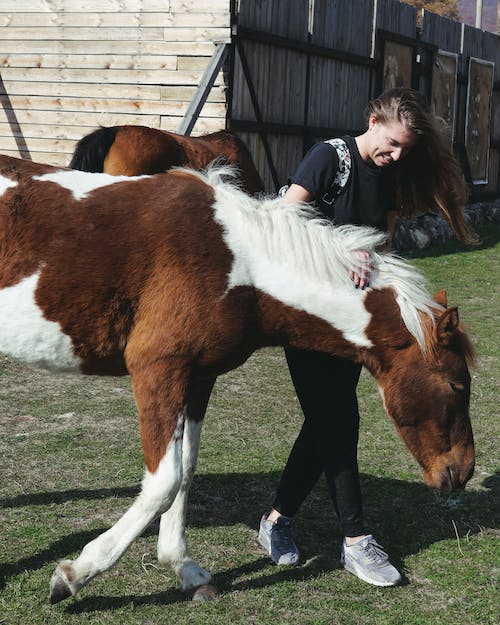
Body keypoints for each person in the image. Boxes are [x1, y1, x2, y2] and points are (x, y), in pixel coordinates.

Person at [258, 87, 477, 587]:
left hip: (359, 326)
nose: (395, 154)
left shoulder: (391, 174)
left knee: (325, 421)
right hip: (310, 318)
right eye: (392, 143)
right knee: (339, 419)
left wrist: (377, 261)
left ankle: (276, 521)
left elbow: (384, 240)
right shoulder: (328, 158)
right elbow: (280, 221)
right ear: (373, 119)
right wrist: (340, 249)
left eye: (404, 149)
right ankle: (355, 540)